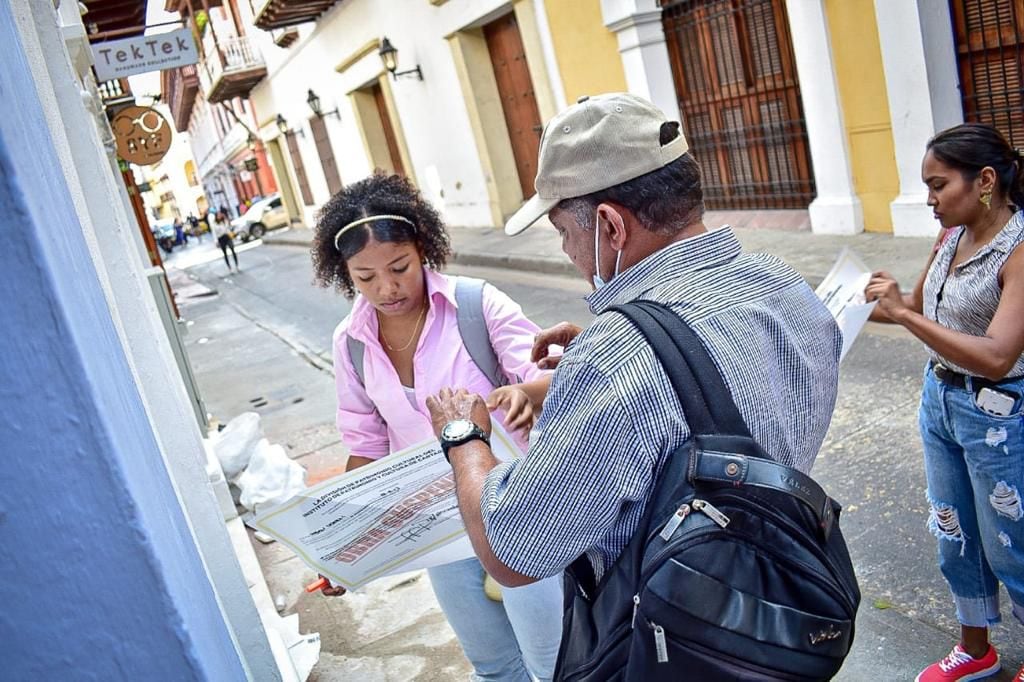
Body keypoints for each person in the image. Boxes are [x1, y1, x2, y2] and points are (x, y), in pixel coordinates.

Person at [424, 92, 841, 649]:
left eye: (562, 232)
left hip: (678, 637)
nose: (569, 252)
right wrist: (631, 356)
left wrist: (465, 437)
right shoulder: (785, 284)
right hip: (776, 609)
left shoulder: (618, 355)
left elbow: (514, 550)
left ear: (609, 227)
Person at [310, 172, 563, 682]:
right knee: (493, 665)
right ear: (345, 274)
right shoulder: (351, 343)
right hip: (438, 531)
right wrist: (343, 548)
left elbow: (550, 377)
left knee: (554, 663)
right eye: (364, 277)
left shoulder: (475, 305)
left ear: (422, 248)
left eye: (399, 267)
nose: (387, 288)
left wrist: (522, 395)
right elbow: (366, 449)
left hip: (517, 513)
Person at [865, 123, 1024, 682]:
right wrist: (869, 300)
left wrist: (906, 315)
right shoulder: (951, 236)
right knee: (954, 531)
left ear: (984, 180)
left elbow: (998, 355)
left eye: (938, 185)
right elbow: (919, 310)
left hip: (1000, 415)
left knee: (1013, 543)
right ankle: (976, 649)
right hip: (941, 400)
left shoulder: (1020, 249)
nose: (929, 199)